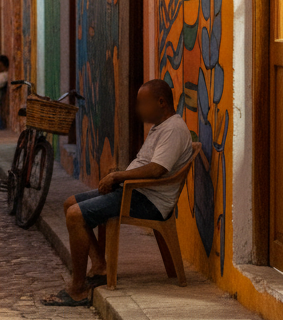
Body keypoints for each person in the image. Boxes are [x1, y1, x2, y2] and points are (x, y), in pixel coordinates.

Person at [42, 79, 193, 306]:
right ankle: (100, 266)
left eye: (143, 104)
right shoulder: (159, 127)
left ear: (161, 102)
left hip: (148, 200)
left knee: (76, 215)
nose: (139, 110)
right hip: (135, 192)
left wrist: (118, 177)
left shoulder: (173, 129)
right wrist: (120, 176)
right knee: (69, 203)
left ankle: (78, 288)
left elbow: (156, 169)